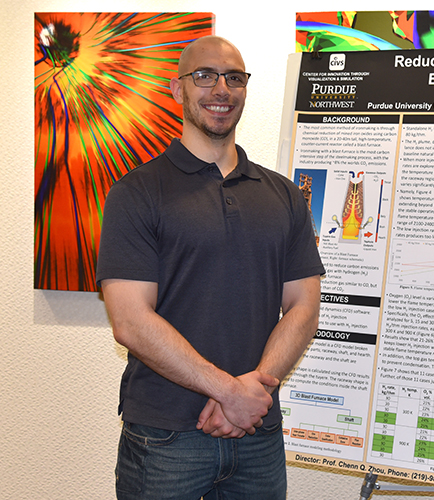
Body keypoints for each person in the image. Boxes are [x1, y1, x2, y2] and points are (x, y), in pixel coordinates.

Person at [97, 35, 324, 500]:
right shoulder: (136, 193)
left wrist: (249, 396)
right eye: (204, 76)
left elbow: (304, 307)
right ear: (178, 90)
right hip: (165, 437)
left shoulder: (284, 196)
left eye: (234, 78)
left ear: (244, 89)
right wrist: (230, 392)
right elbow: (130, 321)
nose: (220, 88)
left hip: (257, 437)